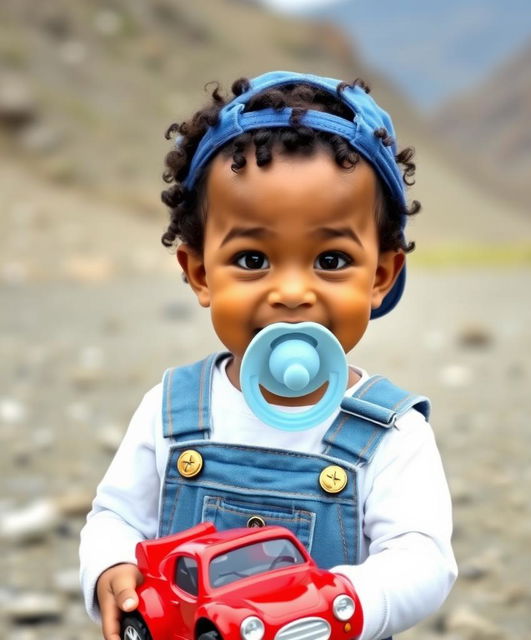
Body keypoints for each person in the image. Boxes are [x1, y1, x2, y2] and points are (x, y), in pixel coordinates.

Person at [79, 71, 457, 640]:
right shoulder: (172, 409)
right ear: (200, 273)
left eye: (330, 261)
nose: (291, 292)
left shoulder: (392, 433)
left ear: (379, 276)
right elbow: (117, 516)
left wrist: (348, 599)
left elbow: (424, 558)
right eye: (253, 260)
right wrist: (111, 566)